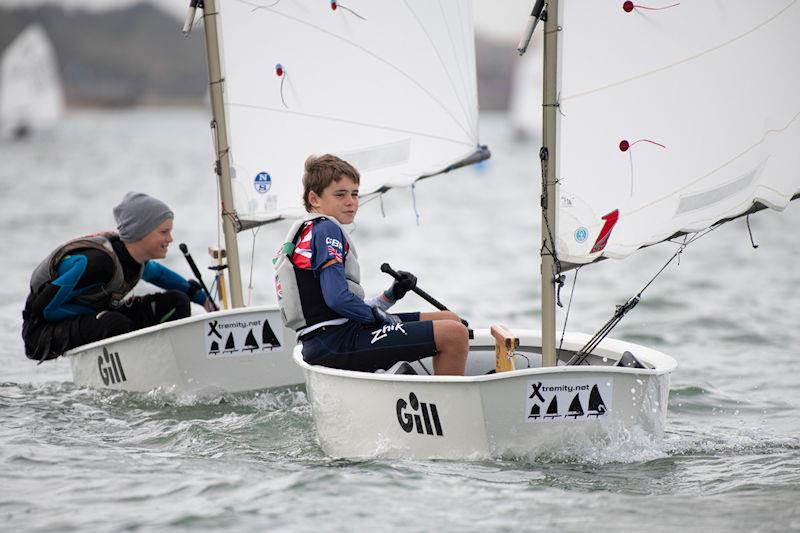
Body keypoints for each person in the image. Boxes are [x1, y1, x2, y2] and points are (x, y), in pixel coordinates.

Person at [274, 154, 468, 375]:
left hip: (328, 339)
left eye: (355, 194)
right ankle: (446, 406)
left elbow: (342, 306)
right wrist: (379, 319)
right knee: (454, 334)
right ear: (314, 199)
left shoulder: (308, 232)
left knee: (450, 319)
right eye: (340, 195)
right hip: (337, 342)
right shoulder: (327, 230)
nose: (351, 201)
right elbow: (337, 299)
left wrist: (391, 295)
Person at [22, 191, 213, 362]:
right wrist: (98, 313)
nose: (170, 239)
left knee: (177, 302)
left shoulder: (135, 261)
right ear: (141, 233)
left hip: (94, 318)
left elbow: (160, 274)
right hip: (41, 330)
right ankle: (140, 368)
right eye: (164, 232)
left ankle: (167, 363)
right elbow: (44, 309)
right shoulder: (97, 264)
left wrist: (203, 299)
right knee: (114, 322)